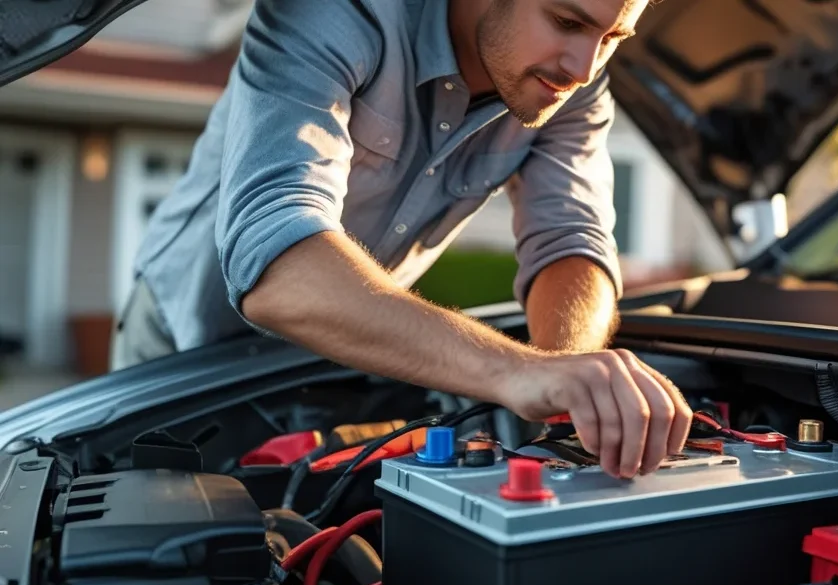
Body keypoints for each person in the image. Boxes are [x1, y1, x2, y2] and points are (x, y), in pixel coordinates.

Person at [109, 0, 692, 479]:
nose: (585, 66)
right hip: (182, 352)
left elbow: (571, 241)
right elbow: (273, 263)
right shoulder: (336, 12)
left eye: (613, 36)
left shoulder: (570, 87)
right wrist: (517, 372)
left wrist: (569, 379)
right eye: (567, 22)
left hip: (352, 353)